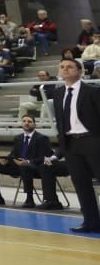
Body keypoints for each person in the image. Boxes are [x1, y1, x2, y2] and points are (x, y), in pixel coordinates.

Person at [52, 58, 100, 233]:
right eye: (62, 67)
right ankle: (91, 222)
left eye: (70, 67)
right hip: (71, 144)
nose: (65, 69)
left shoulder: (93, 92)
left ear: (79, 72)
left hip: (93, 141)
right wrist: (62, 147)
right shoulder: (57, 93)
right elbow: (60, 122)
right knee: (81, 184)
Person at [0, 116, 51, 207]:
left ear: (34, 124)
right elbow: (13, 154)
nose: (26, 123)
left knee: (24, 166)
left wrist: (28, 161)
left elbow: (44, 157)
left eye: (29, 121)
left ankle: (29, 199)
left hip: (34, 167)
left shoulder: (42, 138)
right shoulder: (18, 138)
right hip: (18, 166)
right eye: (24, 121)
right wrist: (6, 159)